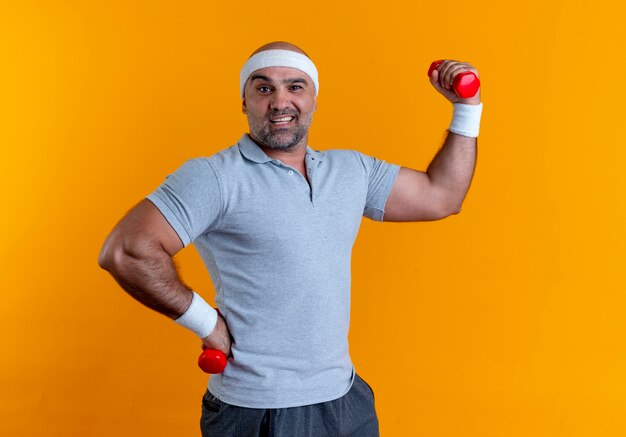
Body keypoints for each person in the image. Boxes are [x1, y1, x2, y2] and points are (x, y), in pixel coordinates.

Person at [98, 41, 483, 436]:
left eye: (295, 87)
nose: (280, 101)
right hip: (261, 408)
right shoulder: (215, 177)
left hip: (345, 397)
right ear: (244, 102)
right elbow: (127, 250)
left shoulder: (351, 170)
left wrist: (466, 109)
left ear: (315, 99)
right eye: (263, 88)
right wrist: (205, 321)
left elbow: (442, 196)